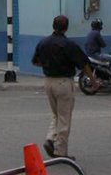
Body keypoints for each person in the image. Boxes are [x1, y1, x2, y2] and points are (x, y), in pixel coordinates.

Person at [32, 15, 98, 159]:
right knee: (64, 117)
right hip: (63, 83)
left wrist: (49, 64)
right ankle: (60, 151)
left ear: (53, 26)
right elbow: (84, 64)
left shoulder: (43, 43)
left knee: (56, 114)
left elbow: (35, 62)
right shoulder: (69, 45)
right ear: (66, 28)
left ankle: (50, 139)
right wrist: (92, 81)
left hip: (48, 82)